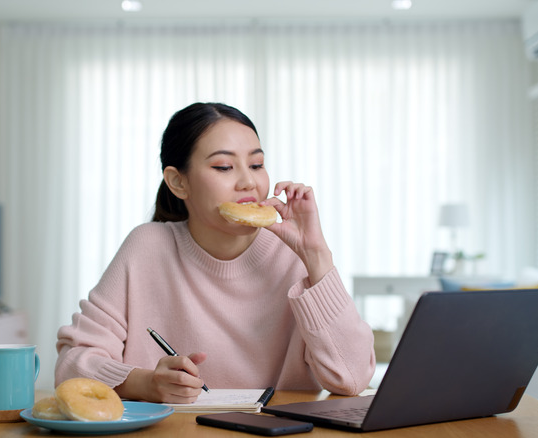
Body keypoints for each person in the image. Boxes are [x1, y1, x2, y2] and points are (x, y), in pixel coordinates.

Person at [55, 102, 375, 403]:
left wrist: (316, 255)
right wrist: (147, 383)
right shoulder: (146, 248)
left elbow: (351, 378)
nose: (248, 182)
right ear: (179, 183)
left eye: (256, 164)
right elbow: (71, 367)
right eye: (224, 167)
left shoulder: (293, 254)